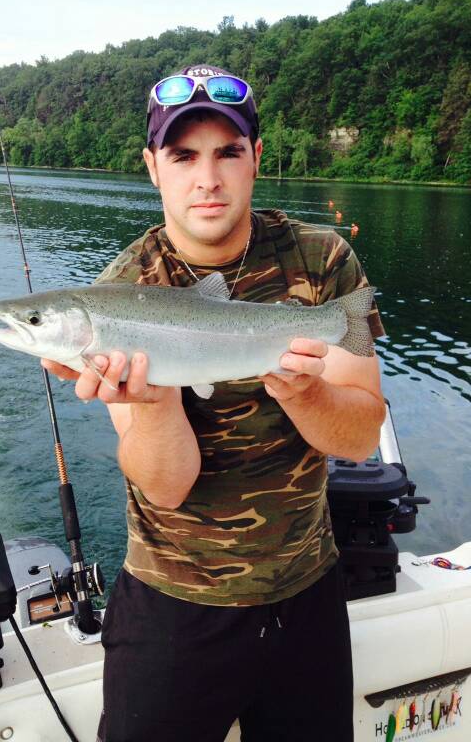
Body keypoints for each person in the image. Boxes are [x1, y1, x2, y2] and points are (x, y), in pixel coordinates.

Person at [42, 64, 386, 742]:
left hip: (307, 594)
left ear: (255, 157)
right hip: (173, 606)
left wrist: (307, 392)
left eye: (227, 152)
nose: (208, 179)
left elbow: (360, 438)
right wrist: (153, 403)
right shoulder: (121, 291)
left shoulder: (322, 262)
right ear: (153, 167)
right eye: (183, 156)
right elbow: (167, 487)